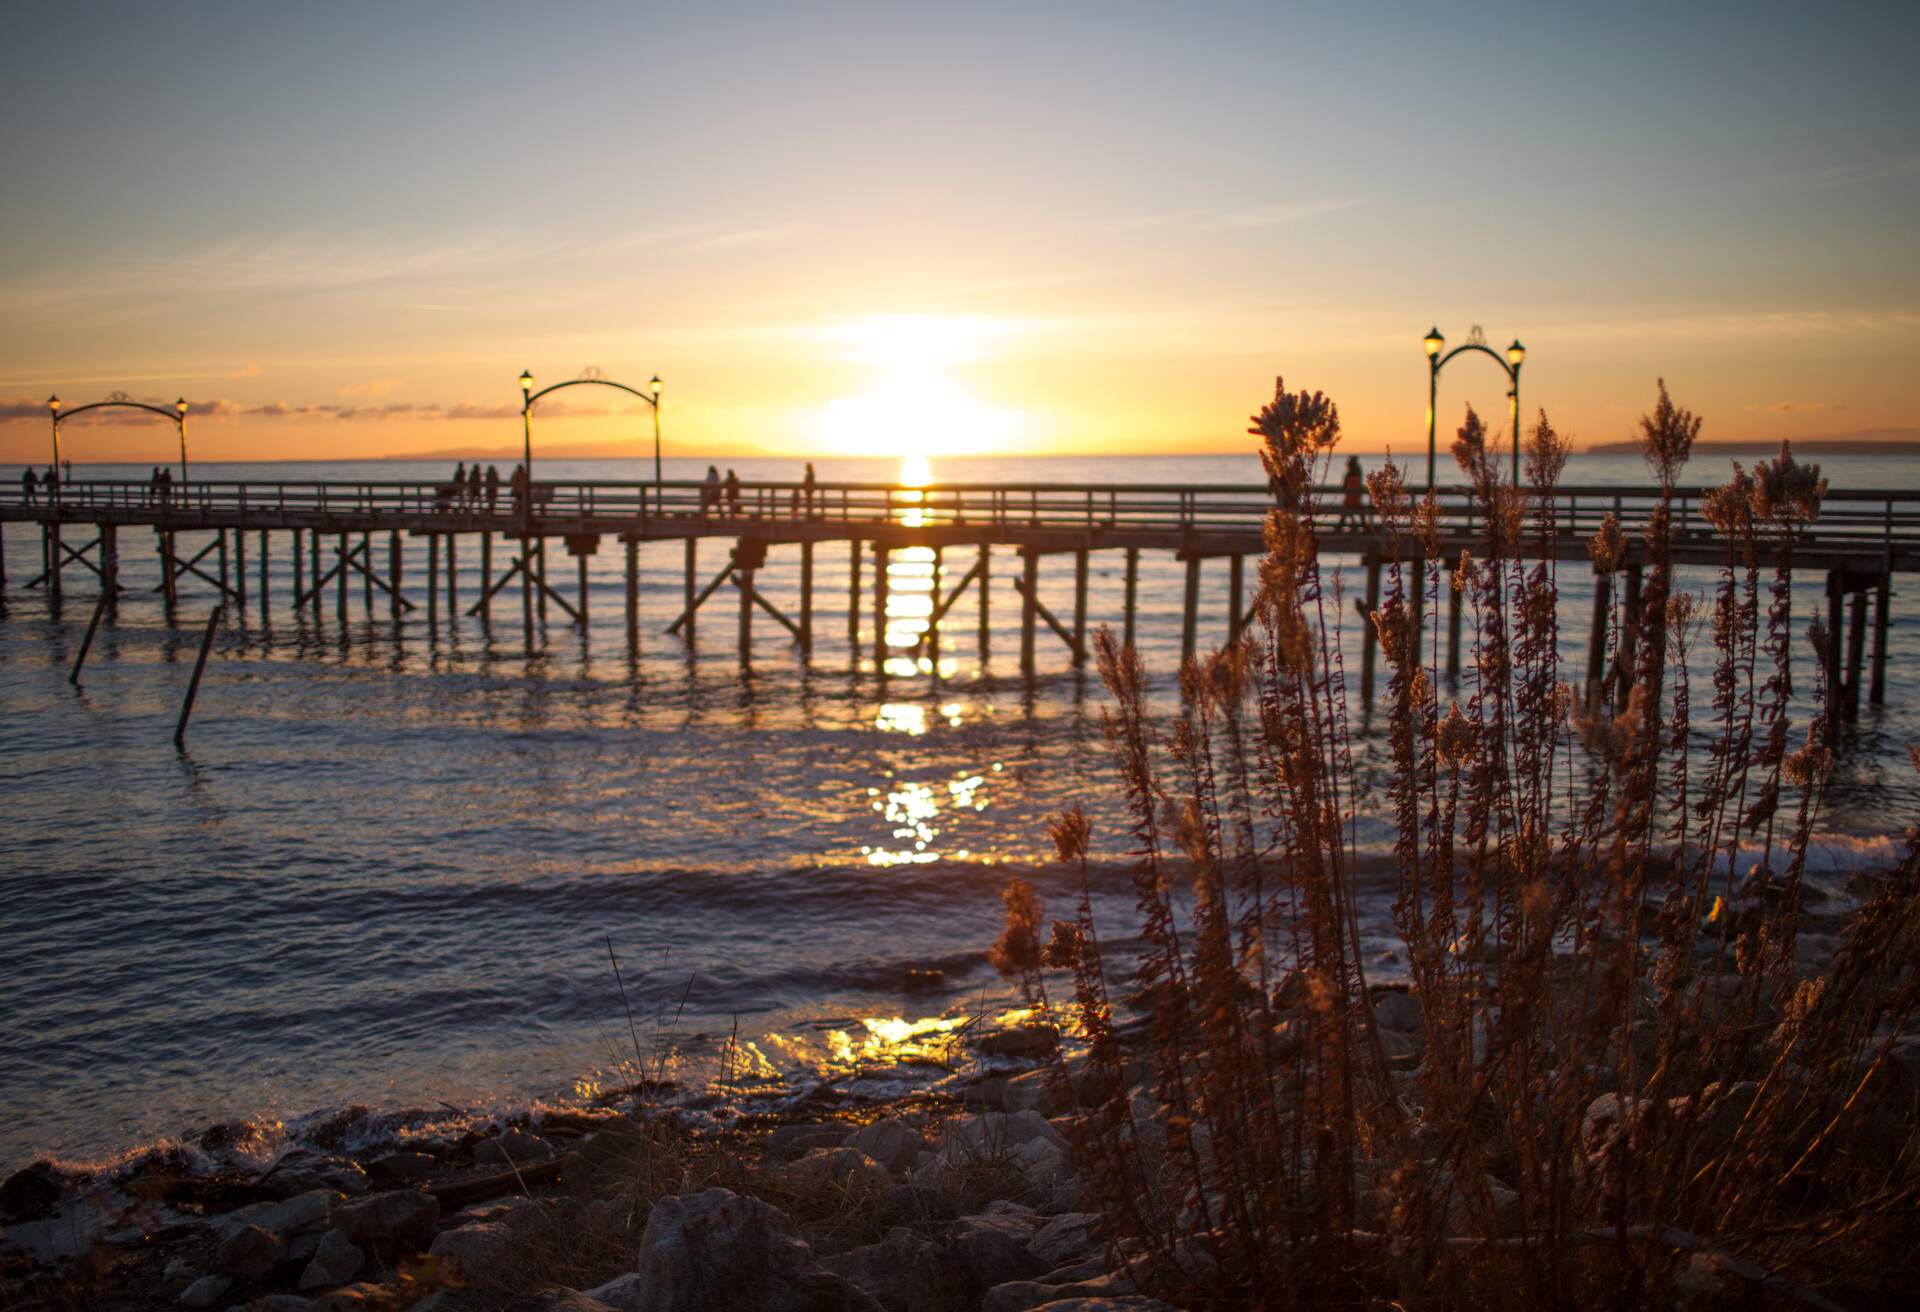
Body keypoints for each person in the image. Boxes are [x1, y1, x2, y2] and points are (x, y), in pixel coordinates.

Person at [1335, 455, 1368, 531]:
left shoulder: (1348, 475)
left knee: (1346, 510)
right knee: (1358, 510)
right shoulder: (1358, 474)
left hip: (1349, 500)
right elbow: (1360, 486)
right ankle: (1361, 525)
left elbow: (1344, 487)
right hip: (1357, 500)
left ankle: (1341, 526)